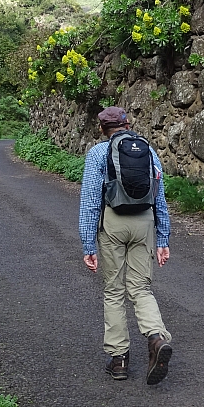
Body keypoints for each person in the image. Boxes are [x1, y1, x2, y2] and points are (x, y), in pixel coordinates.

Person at [79, 106, 173, 385]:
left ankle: (119, 360)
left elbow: (90, 201)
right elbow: (160, 196)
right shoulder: (147, 150)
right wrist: (163, 238)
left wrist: (88, 244)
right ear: (128, 124)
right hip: (144, 222)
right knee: (141, 287)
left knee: (114, 291)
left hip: (114, 222)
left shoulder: (98, 153)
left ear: (101, 129)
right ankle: (156, 339)